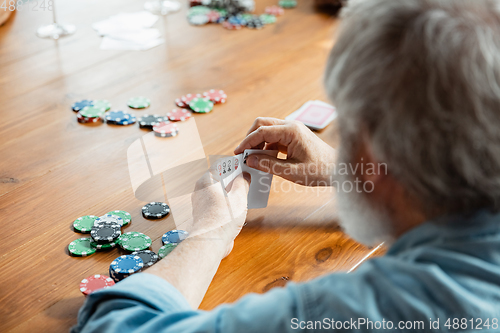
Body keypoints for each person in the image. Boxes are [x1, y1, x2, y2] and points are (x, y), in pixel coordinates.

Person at [72, 0, 500, 331]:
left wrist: (210, 232)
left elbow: (114, 326)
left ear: (371, 148)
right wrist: (350, 171)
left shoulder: (358, 312)